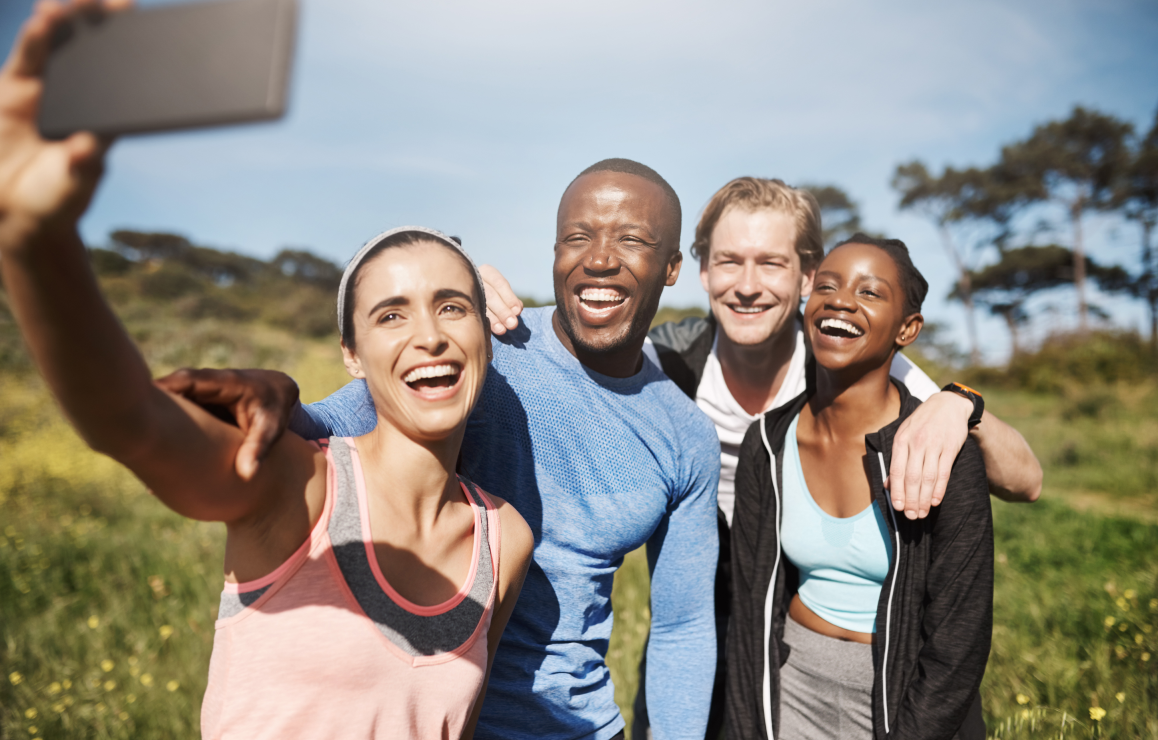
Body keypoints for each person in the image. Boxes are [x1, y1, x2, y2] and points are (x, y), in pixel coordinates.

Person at [0, 5, 532, 738]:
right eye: (390, 315)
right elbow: (130, 422)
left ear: (485, 334)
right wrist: (34, 243)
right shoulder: (295, 485)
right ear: (352, 356)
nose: (430, 337)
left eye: (452, 307)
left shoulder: (505, 538)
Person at [165, 159, 723, 739]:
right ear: (554, 251)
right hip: (437, 718)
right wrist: (273, 393)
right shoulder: (483, 353)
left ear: (673, 267)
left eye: (632, 240)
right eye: (577, 237)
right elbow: (322, 432)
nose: (600, 258)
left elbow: (683, 627)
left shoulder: (685, 437)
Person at [478, 176, 1042, 738]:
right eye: (728, 262)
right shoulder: (666, 362)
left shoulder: (847, 357)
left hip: (788, 625)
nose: (747, 286)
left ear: (806, 276)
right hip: (705, 604)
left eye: (771, 263)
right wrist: (449, 288)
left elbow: (1027, 481)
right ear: (699, 271)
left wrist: (961, 404)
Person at [726, 234, 994, 740]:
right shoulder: (766, 443)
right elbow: (749, 614)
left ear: (907, 329)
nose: (842, 300)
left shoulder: (943, 451)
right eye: (826, 286)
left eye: (870, 293)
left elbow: (960, 638)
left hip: (903, 694)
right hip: (795, 683)